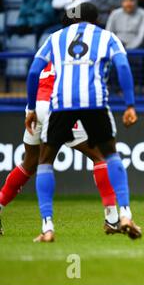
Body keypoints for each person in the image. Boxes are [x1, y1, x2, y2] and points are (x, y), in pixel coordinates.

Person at [25, 3, 141, 241]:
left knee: (45, 161)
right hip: (95, 101)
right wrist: (130, 104)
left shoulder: (55, 37)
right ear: (96, 20)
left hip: (61, 104)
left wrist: (30, 107)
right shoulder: (107, 37)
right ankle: (125, 214)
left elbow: (34, 72)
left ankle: (48, 227)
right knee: (110, 155)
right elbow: (122, 66)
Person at [0, 62, 120, 237]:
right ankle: (113, 219)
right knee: (100, 156)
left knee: (30, 163)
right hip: (57, 107)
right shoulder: (77, 60)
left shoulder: (51, 54)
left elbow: (33, 75)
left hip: (35, 106)